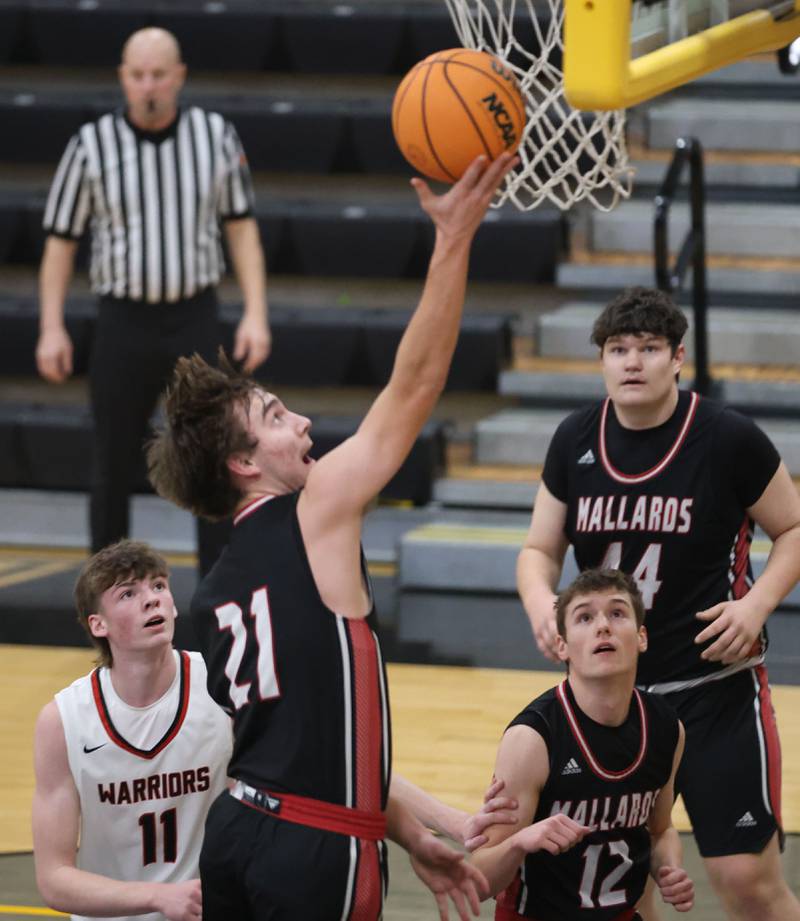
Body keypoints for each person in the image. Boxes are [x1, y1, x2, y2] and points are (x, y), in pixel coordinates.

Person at [147, 151, 518, 921]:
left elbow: (302, 746)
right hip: (317, 856)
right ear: (244, 463)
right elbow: (414, 385)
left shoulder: (209, 596)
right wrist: (453, 242)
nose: (305, 423)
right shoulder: (317, 510)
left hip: (238, 833)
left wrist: (411, 827)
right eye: (278, 416)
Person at [517, 287, 800, 921]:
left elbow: (794, 529)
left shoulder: (726, 437)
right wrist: (542, 603)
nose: (632, 363)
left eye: (648, 349)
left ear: (677, 358)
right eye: (618, 350)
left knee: (747, 880)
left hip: (713, 688)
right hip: (612, 703)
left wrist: (754, 607)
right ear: (602, 362)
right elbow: (538, 548)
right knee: (624, 887)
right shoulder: (575, 439)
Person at [35, 27, 270, 574]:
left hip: (194, 315)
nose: (148, 87)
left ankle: (221, 587)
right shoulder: (90, 145)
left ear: (180, 76)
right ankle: (109, 591)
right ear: (122, 77)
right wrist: (51, 325)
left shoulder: (215, 136)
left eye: (159, 75)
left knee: (213, 457)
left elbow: (241, 230)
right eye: (138, 75)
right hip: (123, 321)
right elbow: (59, 243)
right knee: (112, 464)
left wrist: (256, 311)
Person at [471, 568, 694, 920]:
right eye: (585, 617)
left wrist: (669, 869)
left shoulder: (667, 729)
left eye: (617, 613)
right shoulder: (531, 739)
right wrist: (518, 843)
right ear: (562, 646)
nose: (603, 626)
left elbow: (661, 830)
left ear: (641, 637)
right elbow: (478, 881)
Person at [32, 540, 233, 921]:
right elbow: (53, 878)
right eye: (129, 593)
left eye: (158, 586)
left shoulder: (222, 683)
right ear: (98, 624)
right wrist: (158, 897)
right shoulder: (63, 720)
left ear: (173, 604)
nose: (152, 600)